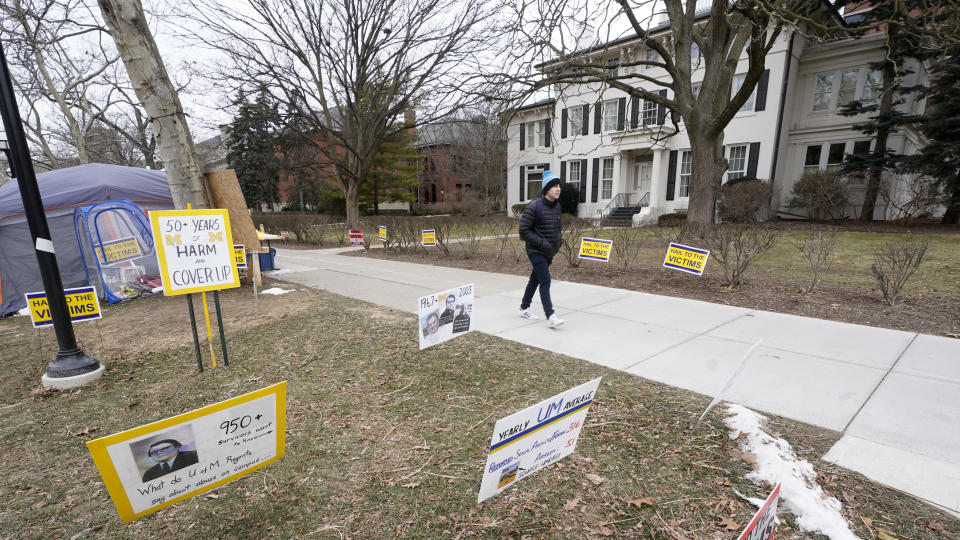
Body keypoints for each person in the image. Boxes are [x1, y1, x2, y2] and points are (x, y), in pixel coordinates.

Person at [518, 170, 565, 327]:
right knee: (545, 279)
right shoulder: (534, 206)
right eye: (554, 186)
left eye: (559, 186)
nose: (558, 189)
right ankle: (551, 315)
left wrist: (558, 243)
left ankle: (524, 307)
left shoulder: (557, 206)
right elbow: (524, 231)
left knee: (535, 279)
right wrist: (542, 243)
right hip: (536, 250)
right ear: (547, 189)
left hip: (549, 252)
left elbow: (557, 228)